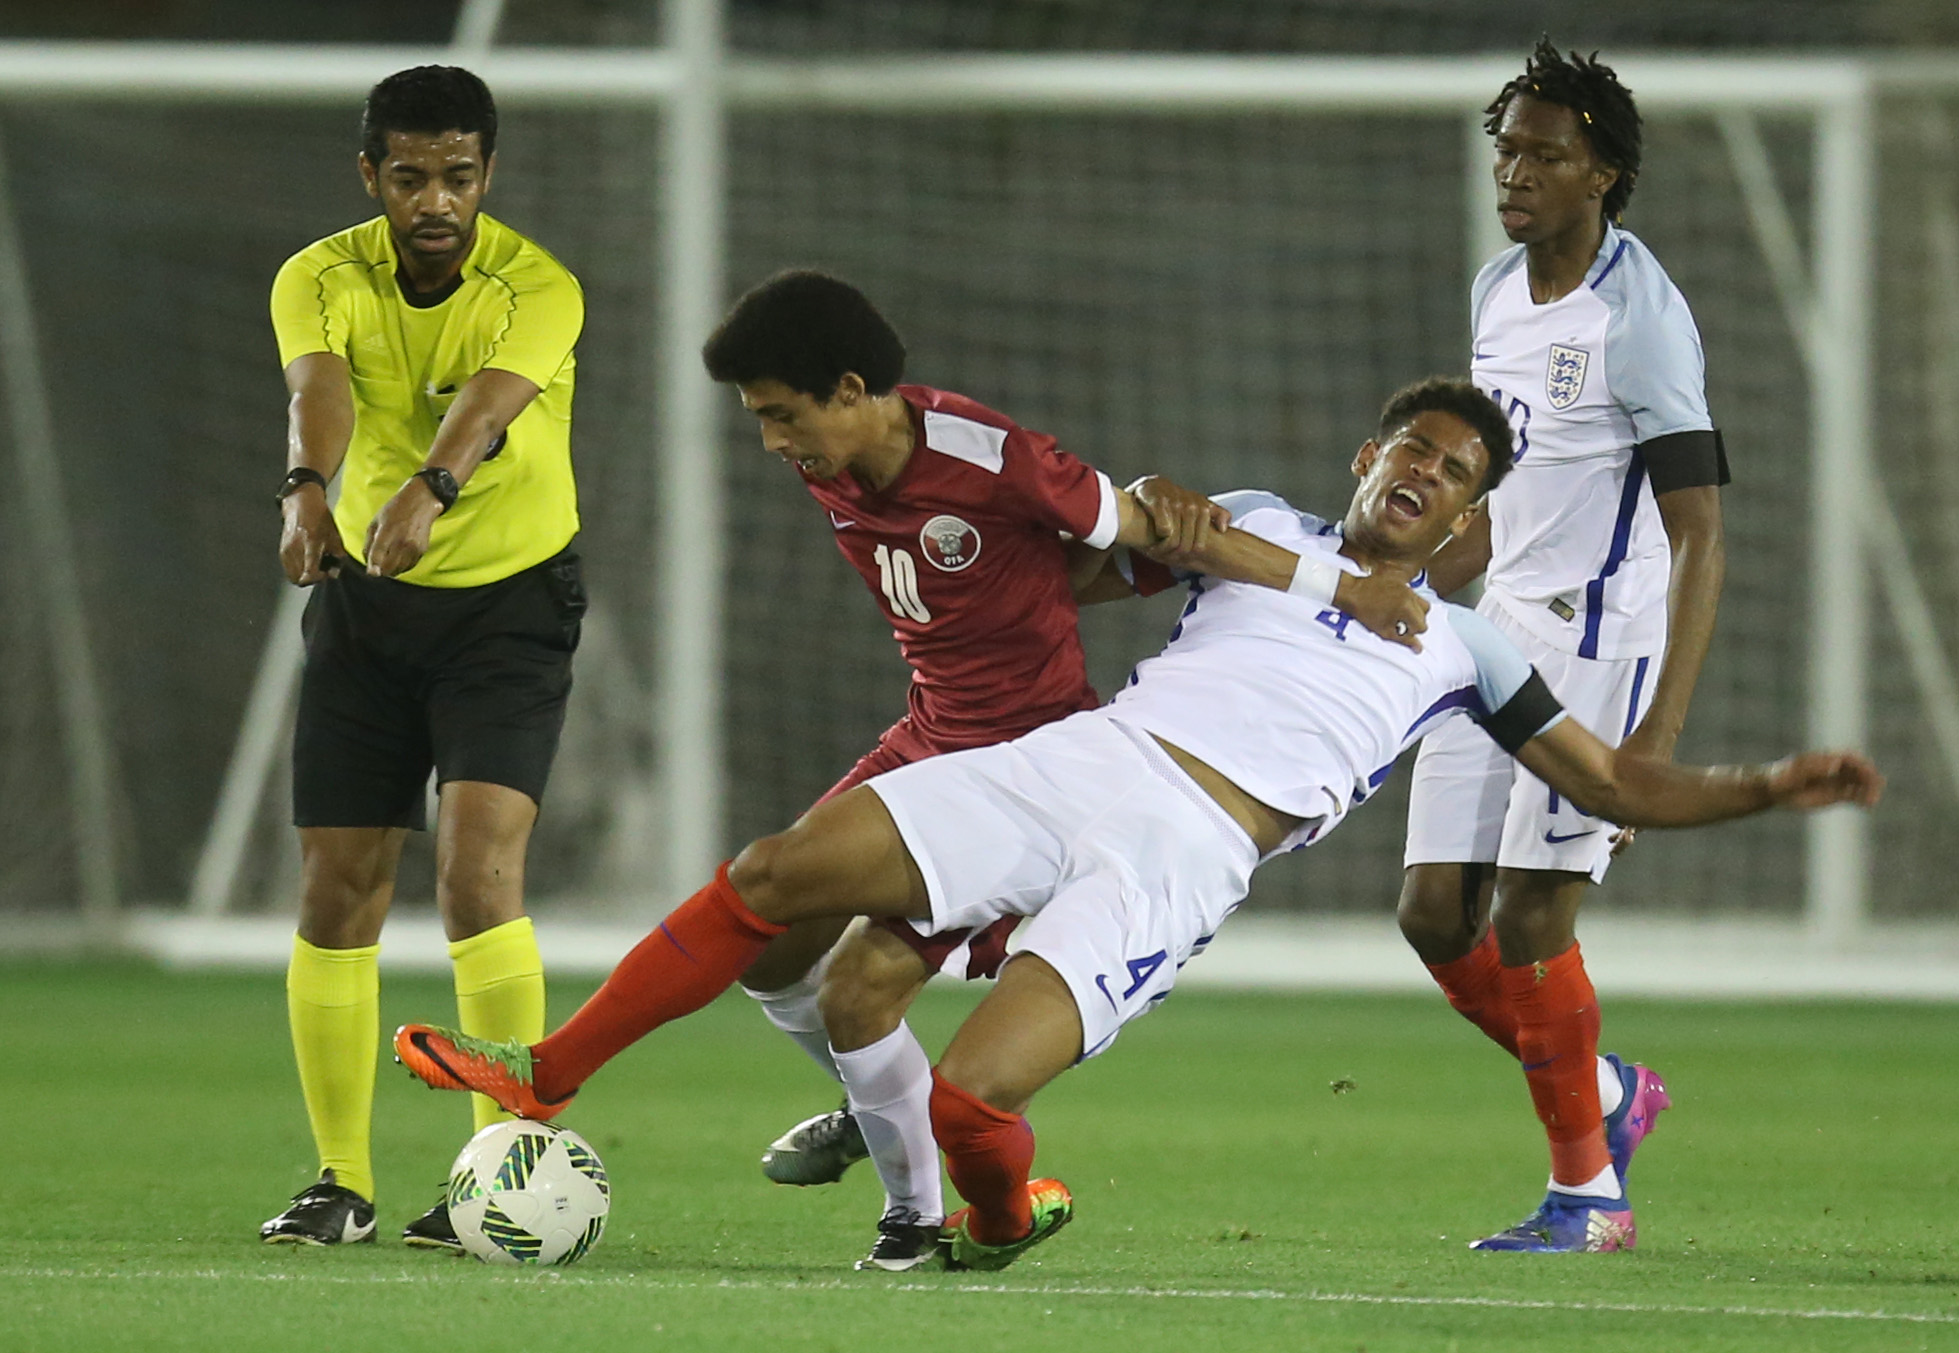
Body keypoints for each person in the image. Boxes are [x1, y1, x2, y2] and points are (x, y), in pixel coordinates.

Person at [393, 379, 1878, 1271]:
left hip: (1181, 859)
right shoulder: (1258, 530)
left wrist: (1763, 788)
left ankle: (981, 1218)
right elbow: (1073, 584)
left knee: (978, 1106)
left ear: (1465, 524)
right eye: (1408, 451)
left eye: (1453, 476)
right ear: (1365, 459)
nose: (1421, 477)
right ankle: (547, 1077)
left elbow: (1611, 784)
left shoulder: (1462, 650)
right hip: (1073, 759)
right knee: (780, 870)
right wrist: (1112, 530)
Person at [581, 268, 1420, 1271]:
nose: (771, 441)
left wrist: (1331, 581)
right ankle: (874, 1108)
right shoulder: (834, 462)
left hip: (1033, 763)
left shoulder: (992, 458)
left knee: (859, 998)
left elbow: (1154, 537)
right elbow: (1039, 573)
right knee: (772, 950)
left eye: (780, 414)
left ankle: (925, 1214)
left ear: (849, 391)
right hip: (933, 736)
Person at [1393, 41, 1732, 1253]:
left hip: (1601, 645)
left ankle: (1589, 1197)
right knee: (1434, 913)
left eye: (1546, 153)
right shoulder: (1495, 292)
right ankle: (1604, 1091)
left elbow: (1699, 538)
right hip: (1497, 634)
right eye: (1508, 148)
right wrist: (1420, 569)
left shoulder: (1642, 318)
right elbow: (1507, 490)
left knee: (1537, 917)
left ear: (1604, 172)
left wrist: (1654, 747)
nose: (1515, 170)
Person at [258, 65, 586, 1251]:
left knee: (475, 876)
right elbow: (318, 389)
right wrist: (308, 491)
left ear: (487, 175)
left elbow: (490, 407)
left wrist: (427, 489)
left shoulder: (539, 286)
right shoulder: (319, 274)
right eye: (409, 178)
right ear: (371, 177)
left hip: (509, 607)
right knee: (337, 886)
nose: (433, 199)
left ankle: (503, 1172)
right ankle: (337, 1180)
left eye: (456, 176)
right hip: (367, 606)